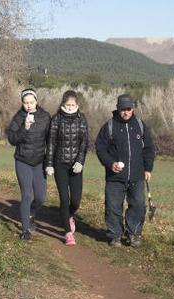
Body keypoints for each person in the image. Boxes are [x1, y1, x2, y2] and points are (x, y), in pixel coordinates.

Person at [95, 93, 155, 248]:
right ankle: (115, 236)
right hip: (115, 177)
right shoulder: (109, 126)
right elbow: (100, 148)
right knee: (113, 207)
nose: (126, 112)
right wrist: (110, 163)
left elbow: (149, 148)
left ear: (133, 108)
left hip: (137, 176)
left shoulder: (140, 125)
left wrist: (148, 168)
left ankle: (134, 234)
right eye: (122, 109)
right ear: (117, 108)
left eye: (128, 109)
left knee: (138, 206)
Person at [7, 88, 51, 241]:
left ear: (36, 102)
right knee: (26, 194)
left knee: (40, 197)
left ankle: (31, 213)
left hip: (39, 162)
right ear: (22, 103)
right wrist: (24, 128)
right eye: (25, 103)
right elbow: (12, 139)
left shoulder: (45, 117)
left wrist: (50, 162)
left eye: (31, 102)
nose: (29, 106)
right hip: (23, 161)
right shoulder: (18, 118)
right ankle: (25, 230)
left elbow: (50, 141)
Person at [46, 90, 89, 246]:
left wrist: (80, 161)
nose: (70, 107)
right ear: (63, 104)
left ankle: (70, 215)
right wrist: (49, 164)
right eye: (67, 105)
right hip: (60, 165)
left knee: (75, 201)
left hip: (76, 167)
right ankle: (67, 233)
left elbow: (85, 143)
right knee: (64, 199)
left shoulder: (82, 119)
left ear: (77, 104)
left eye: (73, 105)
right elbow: (51, 143)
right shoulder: (56, 119)